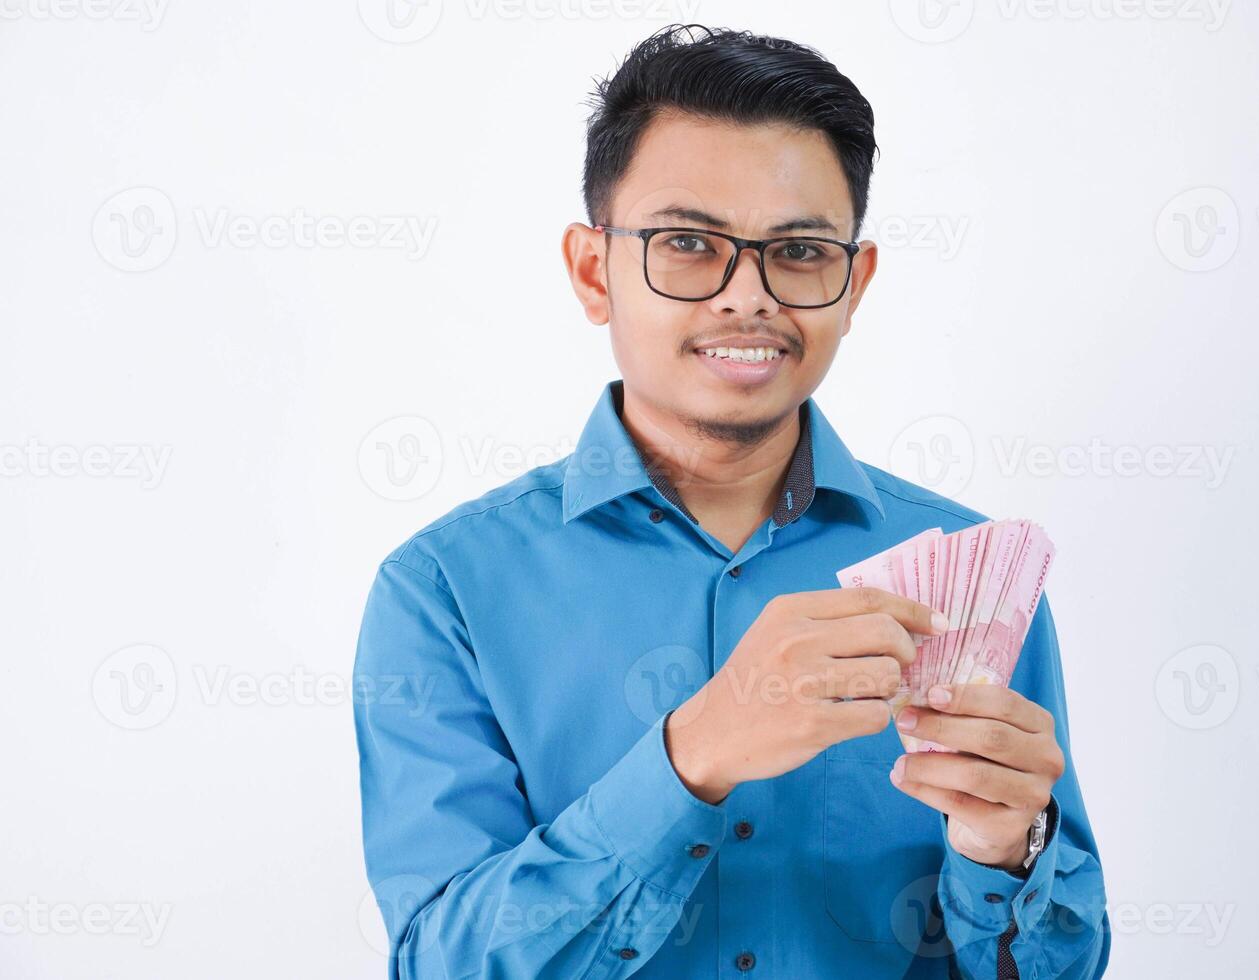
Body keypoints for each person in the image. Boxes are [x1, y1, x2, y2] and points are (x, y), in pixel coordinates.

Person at [353, 23, 1109, 979]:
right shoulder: (446, 589)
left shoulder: (973, 576)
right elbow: (442, 965)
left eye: (797, 251)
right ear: (595, 271)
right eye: (686, 243)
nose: (747, 298)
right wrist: (692, 756)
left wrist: (1005, 853)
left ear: (855, 281)